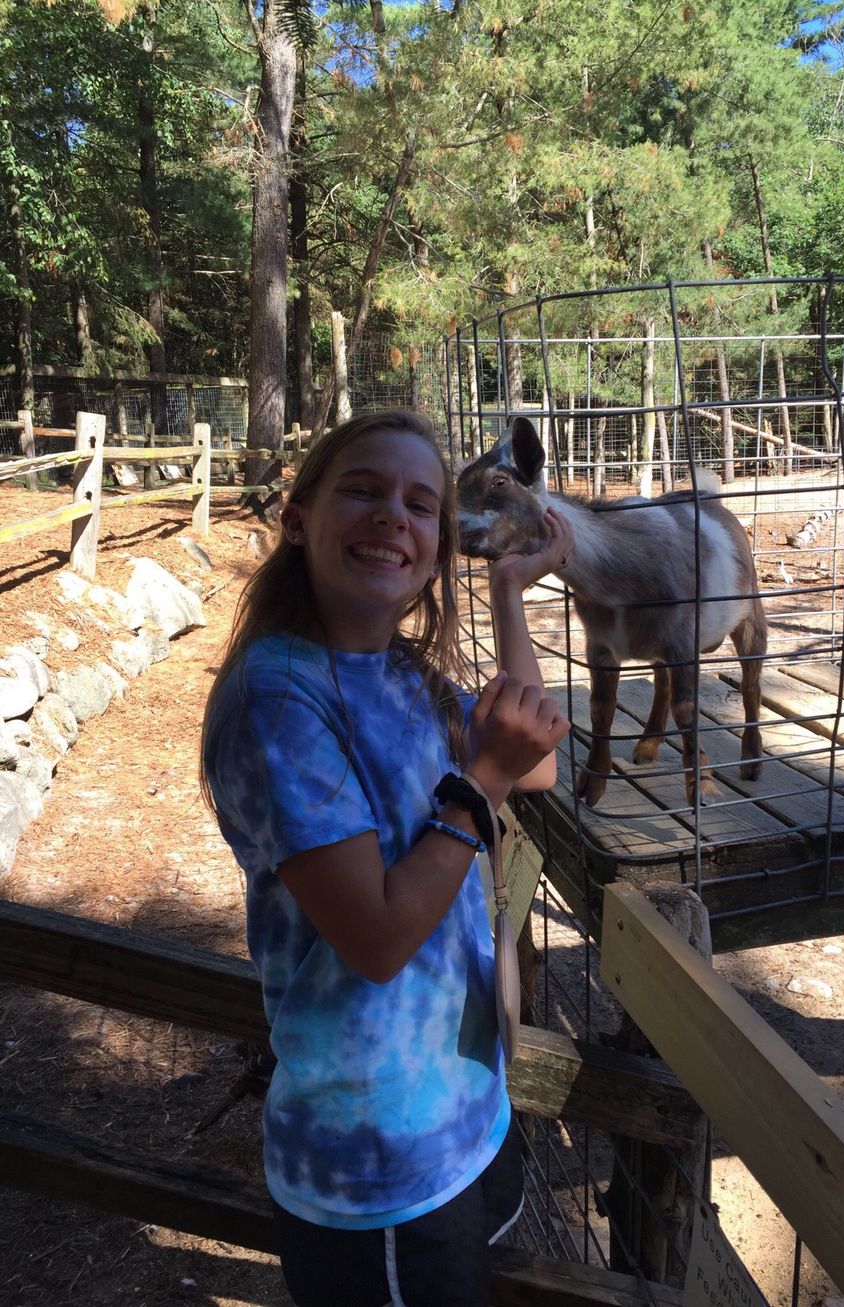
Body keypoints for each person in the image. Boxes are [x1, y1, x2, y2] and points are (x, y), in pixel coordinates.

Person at [201, 409, 572, 1306]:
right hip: (376, 1164)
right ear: (298, 519)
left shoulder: (403, 672)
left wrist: (509, 592)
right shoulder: (277, 698)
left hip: (466, 1115)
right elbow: (374, 939)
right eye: (362, 490)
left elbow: (538, 762)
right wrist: (480, 781)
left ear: (436, 549)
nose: (392, 517)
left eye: (419, 504)